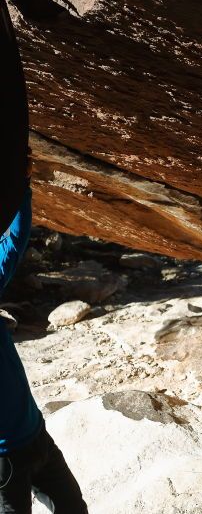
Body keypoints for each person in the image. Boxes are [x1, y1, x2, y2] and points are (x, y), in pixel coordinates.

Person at [0, 162, 88, 514]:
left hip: (38, 436)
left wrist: (22, 186)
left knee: (73, 507)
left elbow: (12, 245)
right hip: (5, 459)